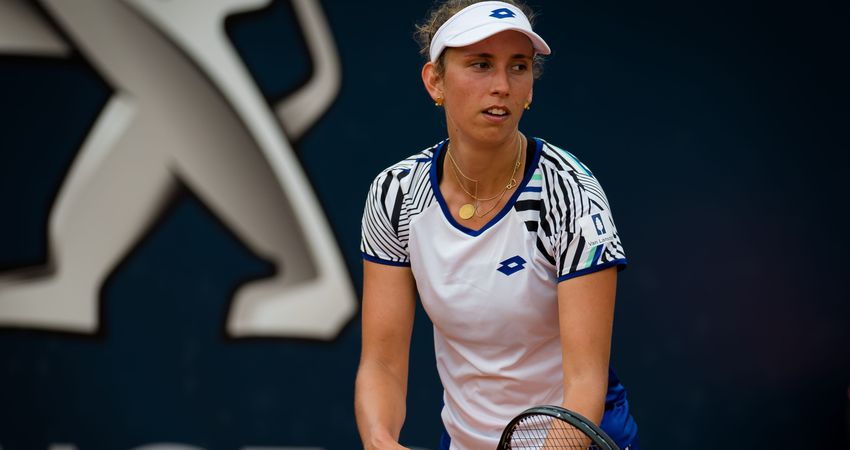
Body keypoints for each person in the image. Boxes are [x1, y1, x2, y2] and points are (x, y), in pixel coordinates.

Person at [355, 1, 640, 448]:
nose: (502, 86)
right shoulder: (396, 194)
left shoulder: (572, 195)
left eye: (518, 67)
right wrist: (379, 440)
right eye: (481, 65)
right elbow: (382, 363)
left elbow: (586, 382)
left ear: (531, 87)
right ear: (436, 81)